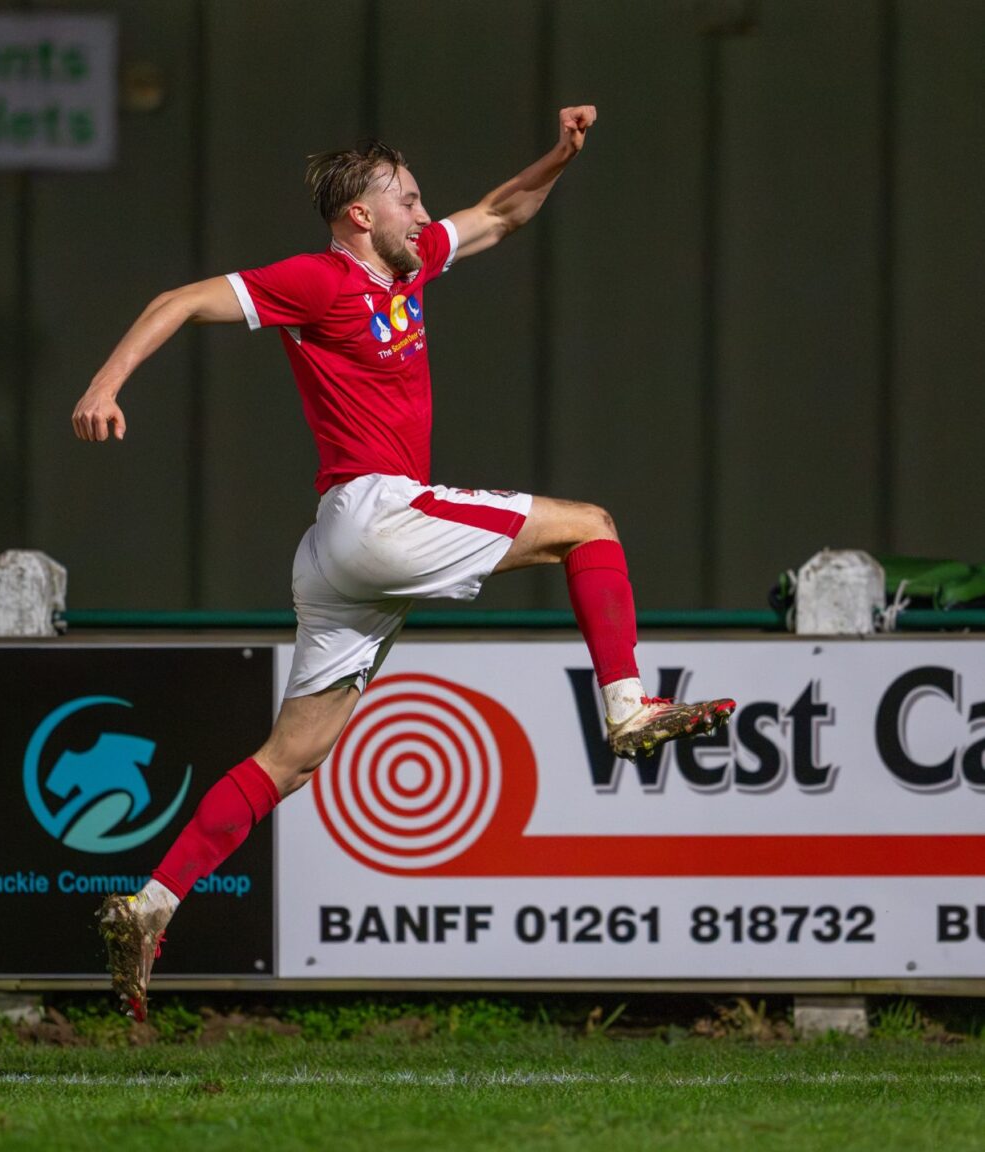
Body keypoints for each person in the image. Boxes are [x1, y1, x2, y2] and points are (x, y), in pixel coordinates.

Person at [72, 105, 735, 1020]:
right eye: (409, 199)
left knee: (293, 757)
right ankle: (626, 707)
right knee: (591, 525)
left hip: (338, 554)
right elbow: (178, 302)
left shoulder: (412, 265)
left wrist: (560, 153)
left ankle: (150, 904)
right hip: (374, 512)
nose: (426, 215)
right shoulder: (316, 280)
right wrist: (106, 385)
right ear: (359, 216)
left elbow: (501, 213)